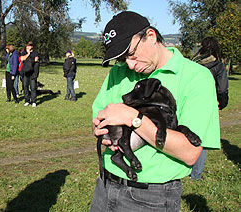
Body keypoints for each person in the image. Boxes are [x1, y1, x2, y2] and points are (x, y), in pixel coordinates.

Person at [90, 11, 220, 211]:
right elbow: (100, 118)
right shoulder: (118, 73)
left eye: (131, 54)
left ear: (150, 36)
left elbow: (190, 153)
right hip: (105, 186)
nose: (130, 65)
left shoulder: (196, 77)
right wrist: (100, 129)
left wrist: (134, 118)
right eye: (123, 59)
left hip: (151, 197)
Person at [190, 36, 228, 180]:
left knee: (188, 133)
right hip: (208, 102)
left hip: (190, 100)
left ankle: (186, 168)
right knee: (203, 137)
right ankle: (196, 173)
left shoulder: (194, 63)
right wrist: (222, 102)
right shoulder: (218, 65)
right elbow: (222, 88)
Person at [20, 41, 40, 107]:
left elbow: (36, 59)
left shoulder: (35, 52)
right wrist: (28, 54)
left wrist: (28, 60)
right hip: (25, 73)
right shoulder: (24, 52)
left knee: (33, 87)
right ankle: (27, 100)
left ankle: (34, 101)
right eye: (28, 45)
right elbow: (22, 59)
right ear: (26, 46)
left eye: (30, 45)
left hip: (33, 73)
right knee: (25, 87)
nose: (29, 47)